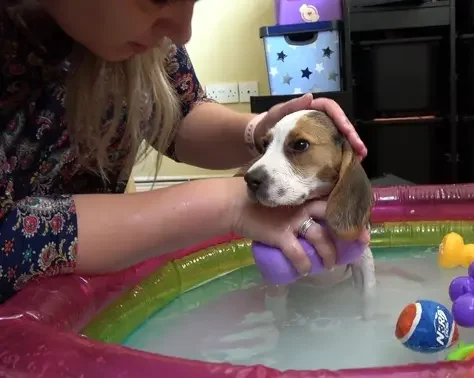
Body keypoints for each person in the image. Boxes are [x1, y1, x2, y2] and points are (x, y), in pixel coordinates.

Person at [0, 0, 369, 302]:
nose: (183, 33)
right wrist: (232, 205)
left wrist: (259, 130)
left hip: (78, 296)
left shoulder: (147, 42)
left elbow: (182, 114)